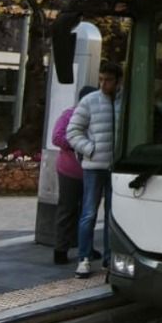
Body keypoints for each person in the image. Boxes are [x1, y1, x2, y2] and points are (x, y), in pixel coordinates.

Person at [67, 61, 122, 278]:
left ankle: (109, 258)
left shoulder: (124, 101)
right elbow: (73, 131)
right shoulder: (90, 101)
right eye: (100, 79)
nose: (103, 84)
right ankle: (84, 258)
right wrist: (90, 149)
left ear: (118, 81)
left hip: (115, 167)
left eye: (108, 80)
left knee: (112, 215)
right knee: (89, 213)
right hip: (94, 166)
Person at [48, 86, 93, 266]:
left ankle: (84, 247)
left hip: (90, 171)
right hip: (69, 171)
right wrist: (78, 144)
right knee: (67, 209)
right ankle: (61, 249)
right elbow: (57, 137)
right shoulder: (69, 115)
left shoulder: (96, 118)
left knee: (87, 211)